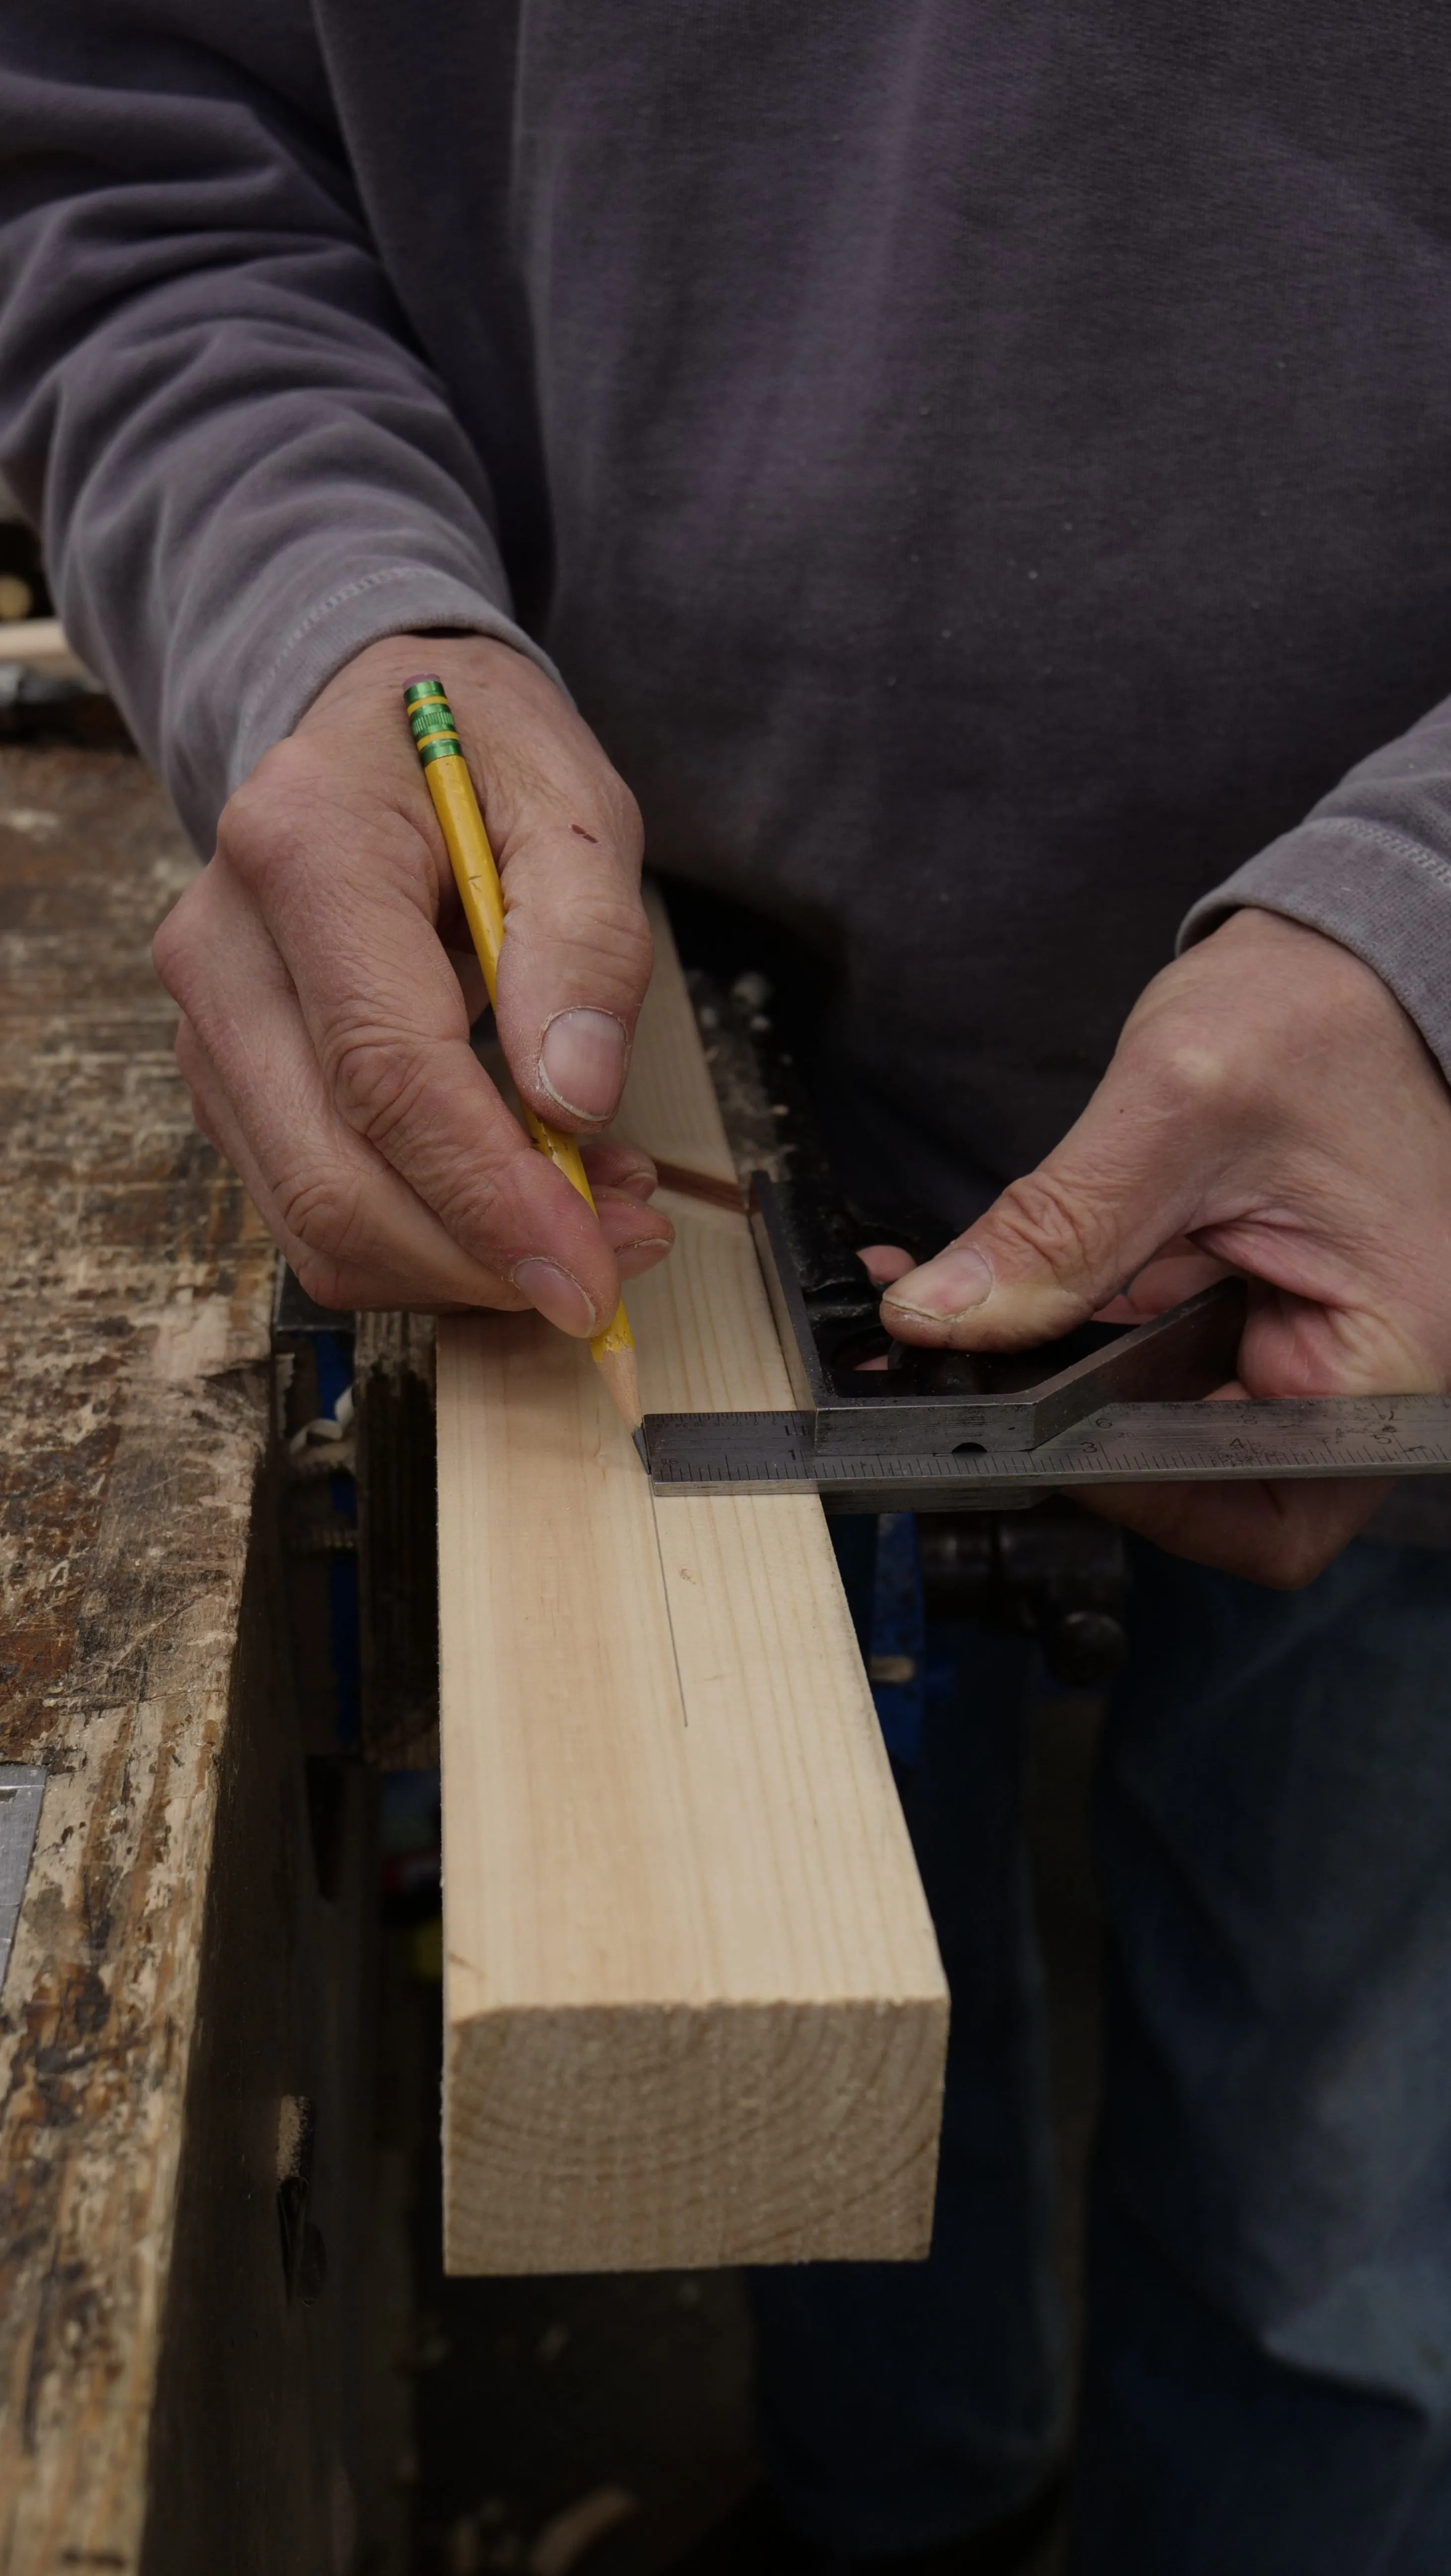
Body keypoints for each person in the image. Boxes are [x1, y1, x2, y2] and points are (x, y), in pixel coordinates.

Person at [3, 10, 1451, 2569]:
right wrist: (336, 623)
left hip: (1410, 1171)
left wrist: (1429, 931)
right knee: (813, 1970)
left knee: (1326, 2154)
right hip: (673, 1035)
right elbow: (125, 162)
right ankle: (897, 2500)